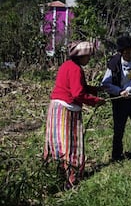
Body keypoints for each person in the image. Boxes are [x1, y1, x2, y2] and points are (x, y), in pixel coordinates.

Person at [43, 41, 105, 189]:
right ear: (81, 56)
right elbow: (78, 93)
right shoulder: (76, 69)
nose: (89, 59)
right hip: (67, 110)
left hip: (56, 108)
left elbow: (78, 87)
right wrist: (96, 101)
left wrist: (96, 90)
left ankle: (53, 176)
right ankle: (72, 180)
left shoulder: (67, 66)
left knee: (57, 143)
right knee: (72, 145)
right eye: (88, 56)